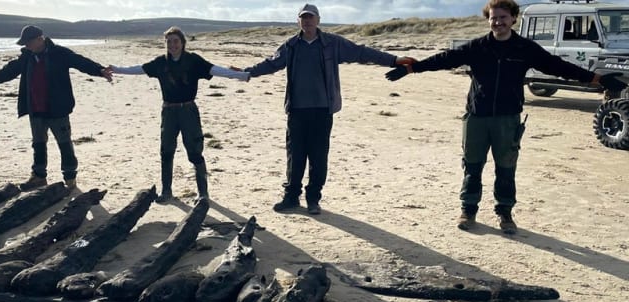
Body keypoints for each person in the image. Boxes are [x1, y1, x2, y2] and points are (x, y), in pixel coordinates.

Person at [385, 0, 626, 234]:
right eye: (493, 18)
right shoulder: (477, 47)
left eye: (502, 17)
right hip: (477, 117)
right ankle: (468, 210)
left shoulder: (525, 49)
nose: (498, 22)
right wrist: (411, 68)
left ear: (513, 19)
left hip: (507, 118)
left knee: (506, 167)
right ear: (488, 20)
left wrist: (598, 79)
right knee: (472, 166)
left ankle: (505, 213)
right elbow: (445, 59)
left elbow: (558, 67)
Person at [235, 4, 416, 215]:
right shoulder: (291, 45)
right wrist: (246, 73)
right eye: (303, 18)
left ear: (318, 20)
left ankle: (313, 199)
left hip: (323, 109)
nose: (307, 21)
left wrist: (393, 60)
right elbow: (271, 64)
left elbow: (361, 52)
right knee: (295, 155)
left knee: (319, 156)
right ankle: (291, 197)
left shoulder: (332, 43)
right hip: (297, 110)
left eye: (310, 18)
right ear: (298, 21)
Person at [107, 26, 249, 203]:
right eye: (169, 41)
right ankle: (166, 192)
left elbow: (214, 70)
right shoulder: (160, 62)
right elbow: (140, 69)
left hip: (188, 110)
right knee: (166, 151)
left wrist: (240, 75)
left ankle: (203, 193)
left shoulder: (193, 60)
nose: (172, 45)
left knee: (195, 150)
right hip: (168, 111)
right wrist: (117, 69)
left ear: (182, 43)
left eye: (176, 41)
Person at [0, 25, 113, 190]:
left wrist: (99, 70)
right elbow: (11, 70)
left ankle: (70, 178)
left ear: (40, 39)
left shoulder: (60, 53)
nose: (26, 46)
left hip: (58, 109)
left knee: (64, 144)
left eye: (28, 42)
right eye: (24, 43)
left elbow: (80, 62)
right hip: (35, 108)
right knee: (38, 144)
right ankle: (39, 176)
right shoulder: (27, 57)